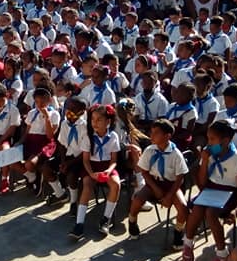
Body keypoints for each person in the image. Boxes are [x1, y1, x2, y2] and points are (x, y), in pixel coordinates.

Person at [181, 119, 237, 261]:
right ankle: (188, 242)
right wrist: (205, 161)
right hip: (211, 189)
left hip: (230, 193)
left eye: (212, 139)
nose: (209, 143)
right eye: (208, 138)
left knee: (211, 213)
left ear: (225, 141)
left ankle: (222, 253)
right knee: (197, 208)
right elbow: (202, 183)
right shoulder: (210, 154)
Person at [128, 118, 190, 246]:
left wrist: (169, 196)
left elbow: (180, 178)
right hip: (153, 183)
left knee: (183, 208)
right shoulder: (150, 150)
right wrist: (155, 188)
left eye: (156, 133)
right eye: (152, 132)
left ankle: (178, 232)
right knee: (137, 200)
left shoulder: (176, 154)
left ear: (167, 136)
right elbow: (144, 171)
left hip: (171, 185)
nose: (152, 135)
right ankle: (132, 222)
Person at [72, 104, 123, 239]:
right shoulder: (88, 137)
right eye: (93, 119)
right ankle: (79, 224)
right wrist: (91, 174)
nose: (95, 122)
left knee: (116, 184)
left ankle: (106, 219)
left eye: (99, 120)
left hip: (107, 166)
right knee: (87, 186)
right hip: (91, 167)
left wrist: (108, 171)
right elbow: (85, 160)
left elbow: (114, 160)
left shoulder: (113, 136)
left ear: (108, 122)